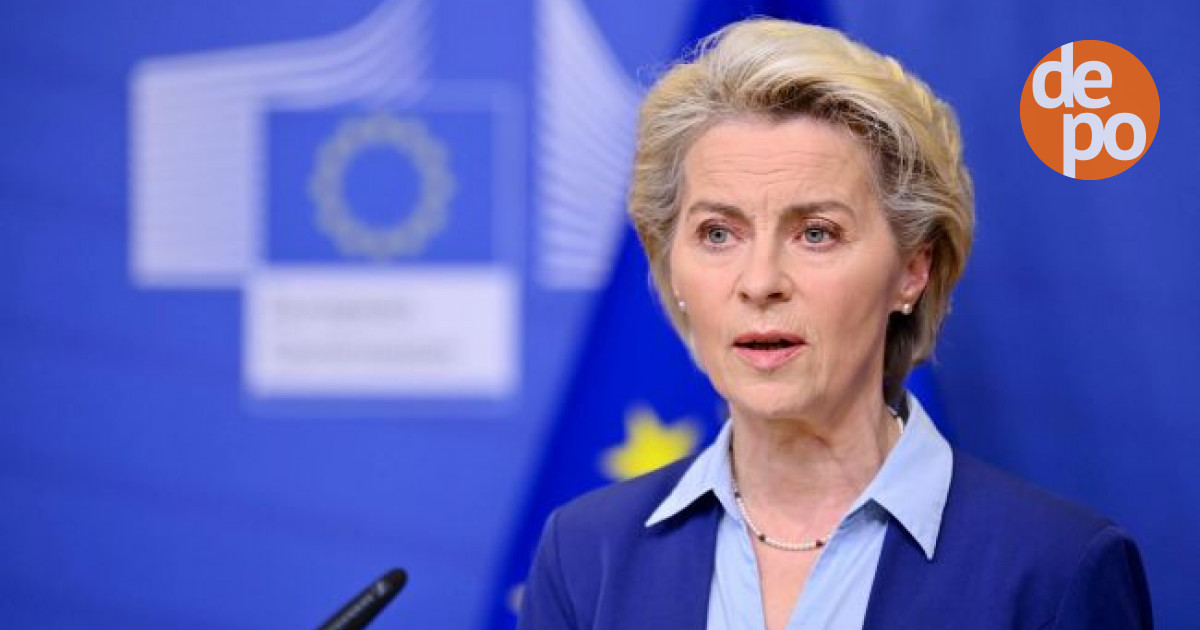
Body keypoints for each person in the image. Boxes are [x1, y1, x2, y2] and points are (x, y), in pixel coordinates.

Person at [518, 18, 1152, 630]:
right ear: (671, 266)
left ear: (912, 270)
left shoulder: (1055, 569)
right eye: (717, 233)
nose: (760, 281)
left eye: (816, 233)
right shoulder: (585, 557)